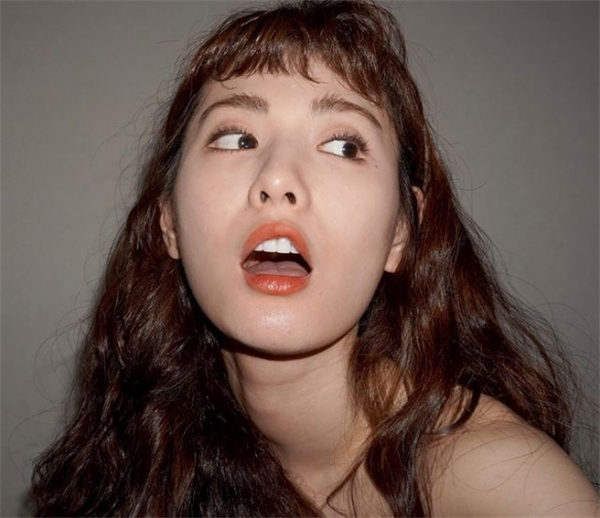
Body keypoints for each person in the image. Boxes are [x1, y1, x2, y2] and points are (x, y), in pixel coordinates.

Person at [31, 0, 598, 516]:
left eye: (343, 145)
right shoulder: (138, 441)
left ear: (401, 232)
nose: (278, 177)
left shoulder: (498, 475)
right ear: (169, 222)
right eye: (236, 138)